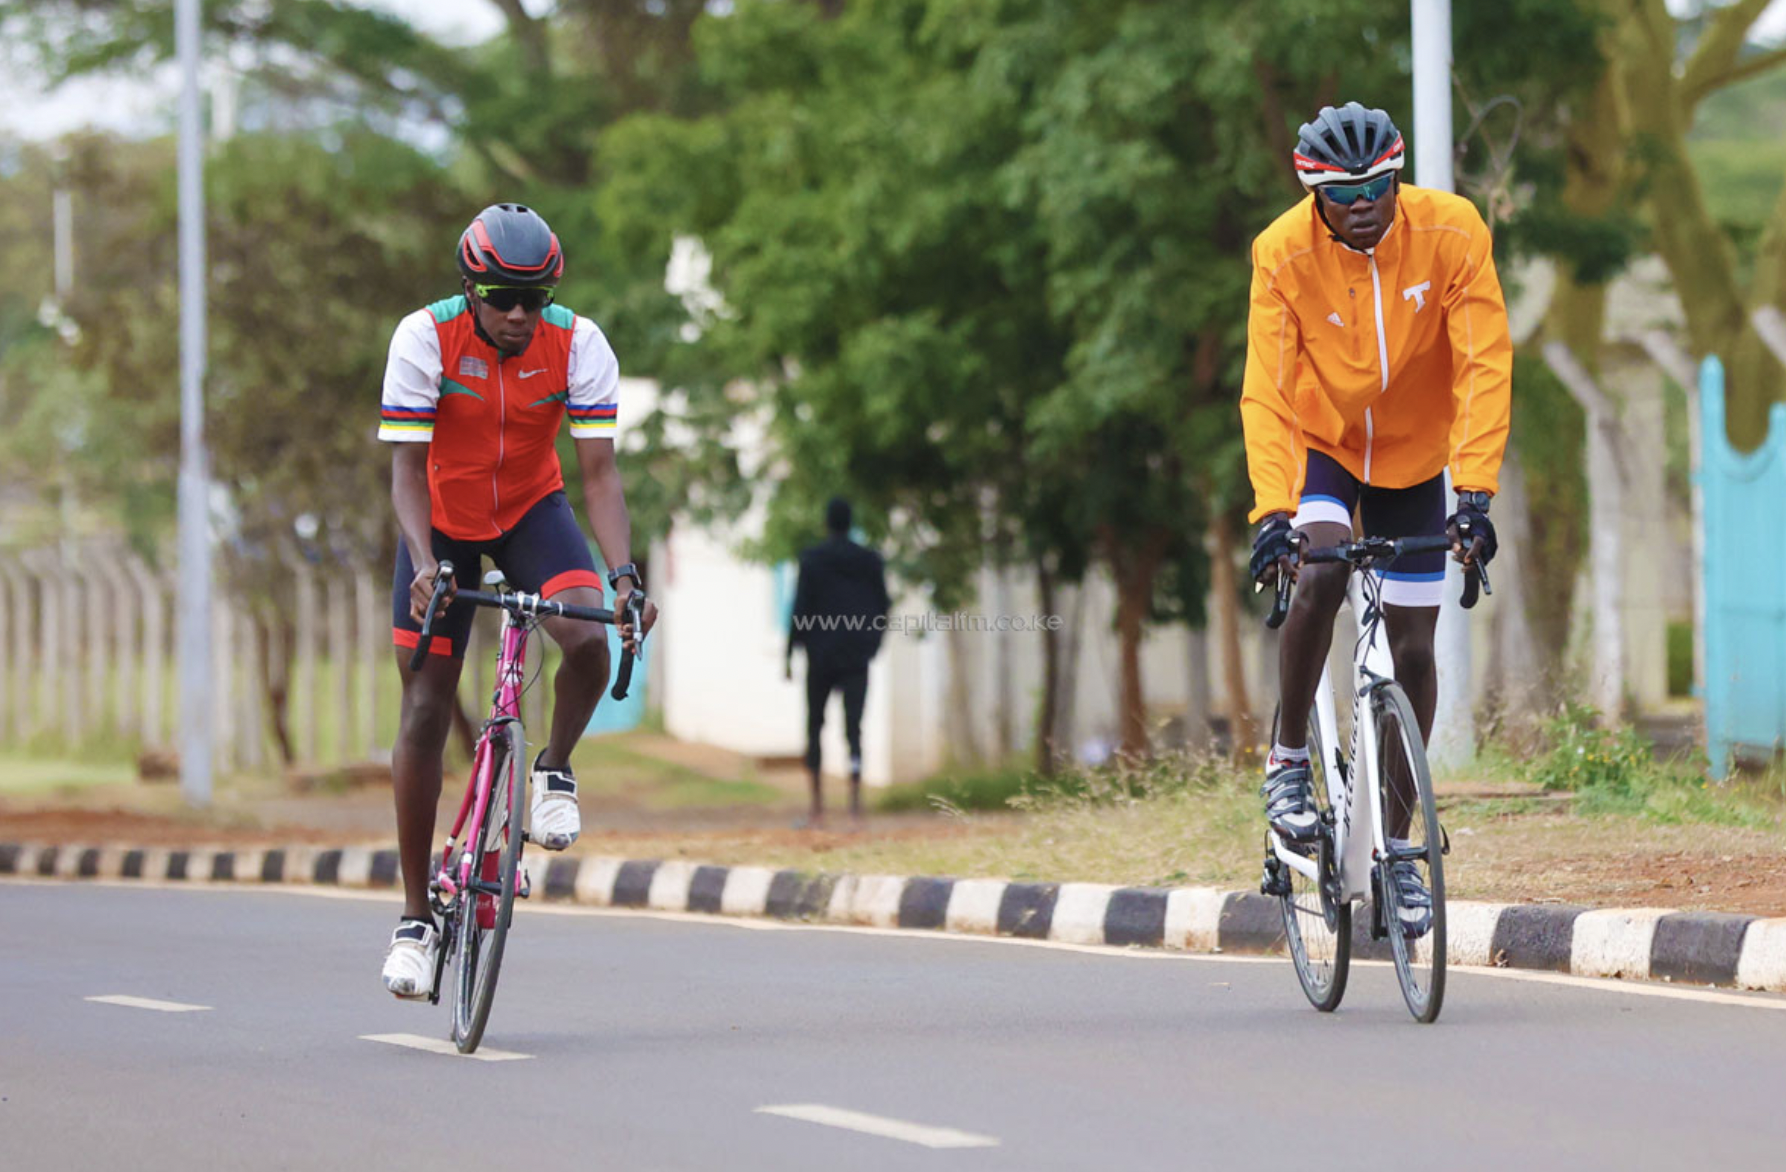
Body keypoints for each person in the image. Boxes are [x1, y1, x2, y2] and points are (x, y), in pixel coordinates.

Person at [1240, 103, 1509, 933]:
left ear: (1398, 178)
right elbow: (1268, 392)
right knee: (1320, 573)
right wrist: (1273, 512)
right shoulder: (1281, 252)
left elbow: (1483, 363)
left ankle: (1398, 852)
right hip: (1323, 447)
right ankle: (1289, 758)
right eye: (1342, 193)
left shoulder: (1453, 232)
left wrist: (1474, 497)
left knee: (1416, 649)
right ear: (1314, 194)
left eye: (1377, 187)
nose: (1363, 205)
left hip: (1415, 459)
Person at [377, 203, 657, 997]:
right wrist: (425, 563)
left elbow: (599, 475)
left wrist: (625, 577)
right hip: (443, 522)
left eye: (536, 299)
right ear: (471, 289)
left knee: (589, 637)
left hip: (534, 511)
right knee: (425, 707)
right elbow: (405, 471)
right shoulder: (424, 337)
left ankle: (553, 771)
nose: (519, 315)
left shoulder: (580, 343)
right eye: (503, 298)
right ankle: (414, 921)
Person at [785, 497, 891, 824]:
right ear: (850, 522)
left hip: (820, 655)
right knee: (854, 729)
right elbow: (883, 605)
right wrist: (873, 644)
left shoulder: (812, 559)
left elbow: (800, 607)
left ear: (827, 522)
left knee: (815, 726)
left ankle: (817, 806)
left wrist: (789, 651)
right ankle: (855, 804)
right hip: (856, 656)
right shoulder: (869, 561)